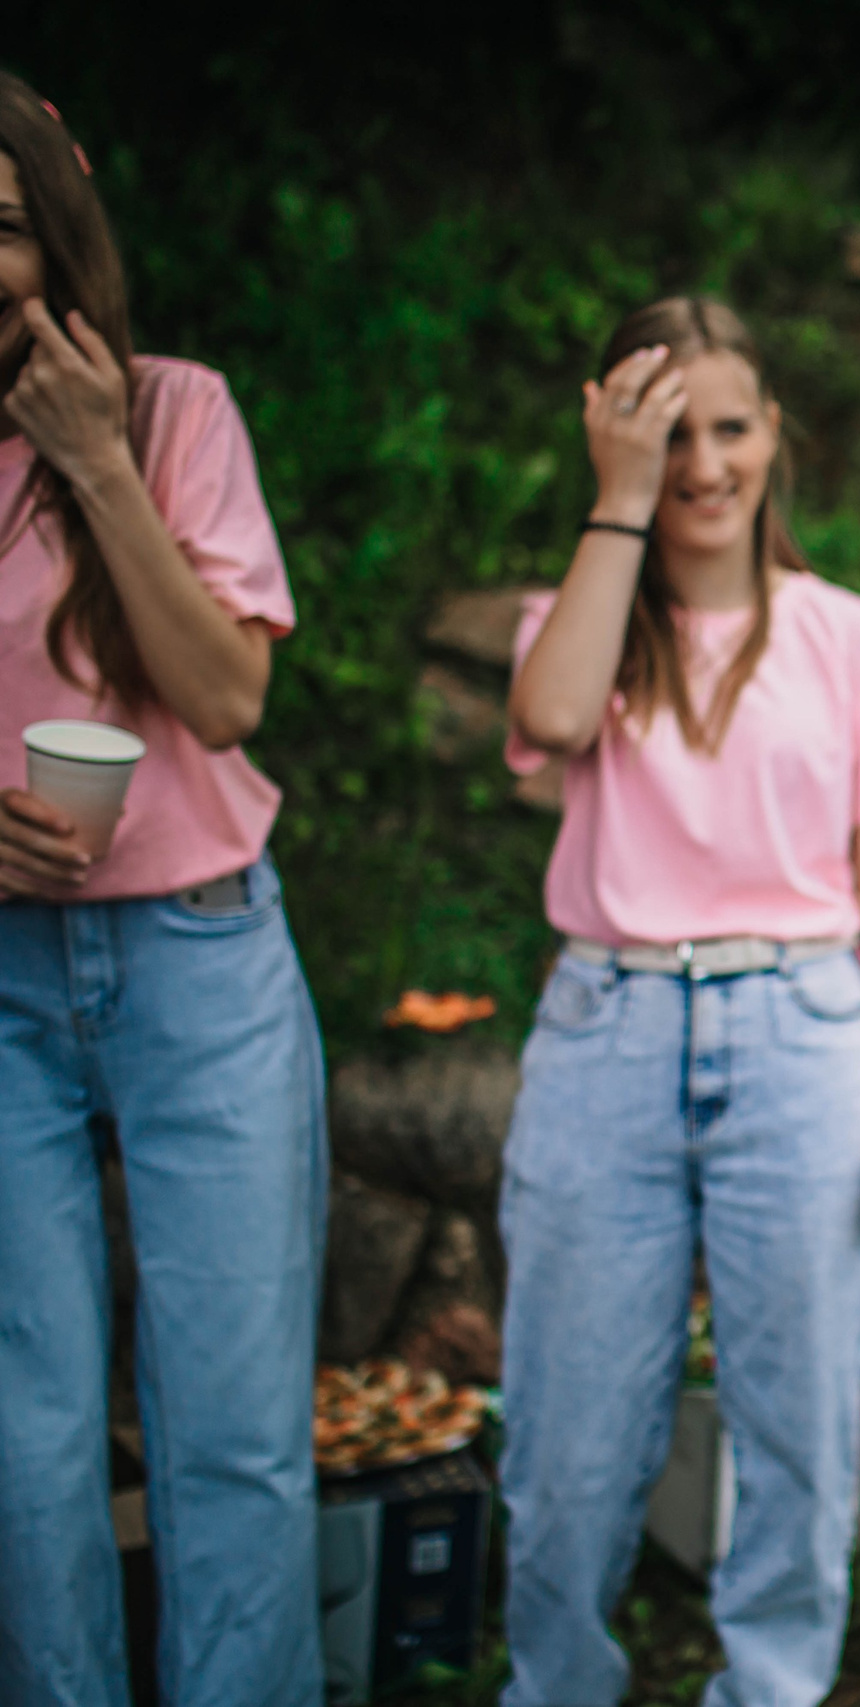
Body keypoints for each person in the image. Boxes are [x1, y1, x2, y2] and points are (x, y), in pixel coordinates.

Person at [498, 296, 860, 1705]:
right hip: (607, 1036)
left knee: (803, 1426)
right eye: (667, 430)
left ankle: (770, 1690)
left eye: (731, 426)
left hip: (805, 1037)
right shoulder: (574, 618)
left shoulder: (855, 639)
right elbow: (554, 721)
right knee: (571, 1436)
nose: (705, 461)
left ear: (778, 439)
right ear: (614, 434)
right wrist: (615, 503)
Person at [0, 79, 328, 1706]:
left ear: (56, 241)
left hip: (200, 964)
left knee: (234, 1428)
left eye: (0, 221)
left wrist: (91, 458)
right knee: (24, 1432)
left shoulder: (177, 412)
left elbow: (224, 697)